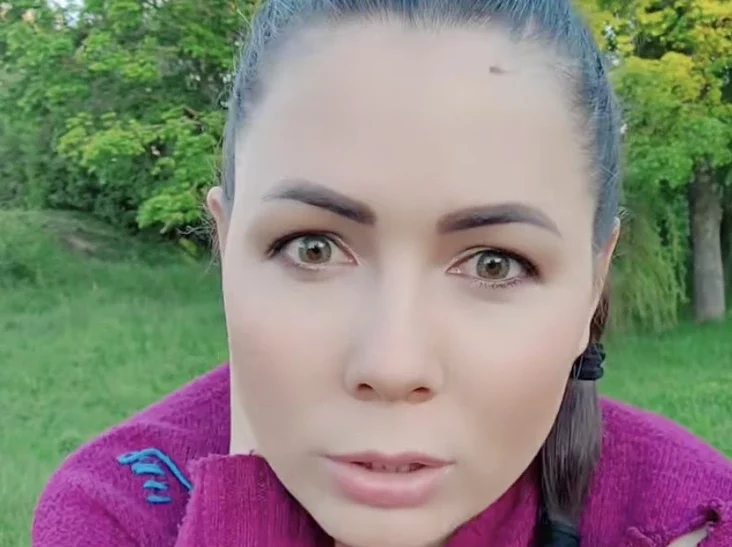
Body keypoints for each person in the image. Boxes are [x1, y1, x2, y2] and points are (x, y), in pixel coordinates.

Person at [32, 0, 732, 545]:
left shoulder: (694, 520)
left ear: (592, 284)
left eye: (494, 263)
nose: (393, 365)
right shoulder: (119, 514)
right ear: (228, 249)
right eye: (312, 248)